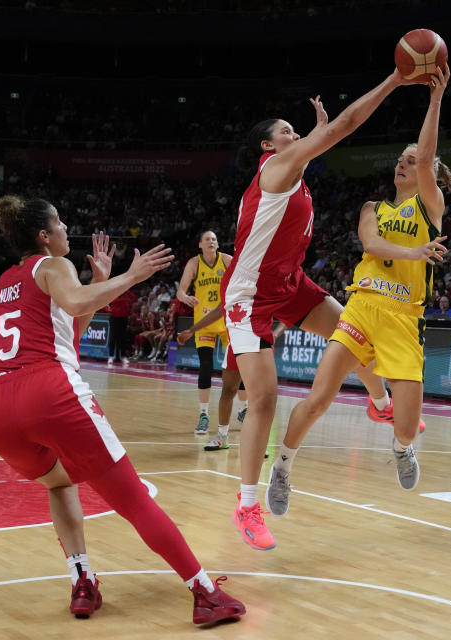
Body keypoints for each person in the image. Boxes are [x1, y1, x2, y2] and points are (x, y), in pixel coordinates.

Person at [0, 195, 245, 624]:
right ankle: (206, 594)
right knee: (134, 499)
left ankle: (82, 581)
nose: (68, 229)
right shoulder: (54, 266)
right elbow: (77, 306)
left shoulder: (5, 280)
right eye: (61, 222)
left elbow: (65, 333)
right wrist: (129, 276)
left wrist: (97, 284)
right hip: (48, 394)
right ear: (44, 236)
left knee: (60, 484)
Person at [221, 69, 416, 551]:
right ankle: (248, 505)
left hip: (289, 284)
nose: (295, 134)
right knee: (264, 398)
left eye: (297, 130)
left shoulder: (296, 176)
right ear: (268, 148)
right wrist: (394, 80)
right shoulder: (275, 171)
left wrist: (312, 137)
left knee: (358, 334)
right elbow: (346, 124)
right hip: (249, 297)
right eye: (286, 130)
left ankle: (381, 406)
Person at [267, 65, 451, 519]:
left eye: (413, 161)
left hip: (404, 318)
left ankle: (401, 449)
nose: (405, 162)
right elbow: (371, 245)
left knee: (406, 426)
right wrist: (415, 252)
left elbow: (427, 154)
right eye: (400, 158)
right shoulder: (372, 208)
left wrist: (435, 100)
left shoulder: (429, 205)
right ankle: (282, 466)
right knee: (319, 397)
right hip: (362, 308)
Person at [177, 304, 286, 451]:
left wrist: (276, 334)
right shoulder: (232, 285)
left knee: (260, 396)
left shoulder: (266, 288)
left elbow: (289, 313)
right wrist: (191, 330)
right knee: (228, 390)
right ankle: (222, 437)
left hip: (260, 343)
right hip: (236, 343)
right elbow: (217, 311)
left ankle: (259, 442)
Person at [175, 231, 246, 433]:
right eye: (207, 239)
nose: (212, 242)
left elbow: (244, 277)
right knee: (206, 367)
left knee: (239, 367)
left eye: (214, 239)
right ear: (200, 244)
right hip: (204, 322)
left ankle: (243, 409)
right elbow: (180, 291)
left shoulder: (226, 260)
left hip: (227, 323)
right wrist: (185, 297)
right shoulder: (194, 263)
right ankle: (204, 415)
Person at [106, 288, 136, 365]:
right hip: (114, 317)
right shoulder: (113, 293)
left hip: (123, 318)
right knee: (112, 337)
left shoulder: (126, 294)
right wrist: (109, 310)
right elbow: (106, 302)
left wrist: (126, 289)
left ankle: (123, 356)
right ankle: (111, 356)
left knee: (123, 337)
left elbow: (134, 298)